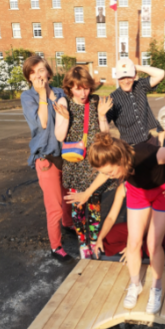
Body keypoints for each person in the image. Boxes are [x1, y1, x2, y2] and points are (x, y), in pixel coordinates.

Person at [89, 133, 165, 314]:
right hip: (138, 190)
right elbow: (106, 175)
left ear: (121, 160)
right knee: (133, 242)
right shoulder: (118, 165)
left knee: (152, 244)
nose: (110, 177)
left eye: (110, 172)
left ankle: (156, 288)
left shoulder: (147, 153)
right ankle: (135, 285)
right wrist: (87, 192)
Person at [52, 65, 112, 260]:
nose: (82, 92)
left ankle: (94, 241)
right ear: (70, 87)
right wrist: (67, 119)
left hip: (94, 163)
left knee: (94, 205)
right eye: (78, 88)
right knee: (79, 208)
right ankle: (83, 243)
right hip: (75, 163)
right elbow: (60, 136)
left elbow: (106, 136)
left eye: (85, 87)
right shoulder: (64, 102)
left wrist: (102, 115)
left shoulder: (95, 102)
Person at [20, 55, 73, 261]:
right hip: (45, 157)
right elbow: (42, 123)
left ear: (49, 73)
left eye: (41, 70)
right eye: (32, 72)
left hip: (66, 154)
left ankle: (68, 225)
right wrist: (42, 94)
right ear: (29, 77)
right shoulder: (28, 97)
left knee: (67, 196)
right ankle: (56, 246)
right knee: (54, 205)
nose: (38, 75)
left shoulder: (60, 93)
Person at [105, 58, 165, 146]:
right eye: (122, 77)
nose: (126, 81)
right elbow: (103, 126)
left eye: (129, 76)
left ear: (134, 75)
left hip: (149, 141)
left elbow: (161, 74)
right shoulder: (113, 98)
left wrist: (137, 67)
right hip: (130, 147)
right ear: (117, 78)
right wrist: (101, 114)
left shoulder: (140, 85)